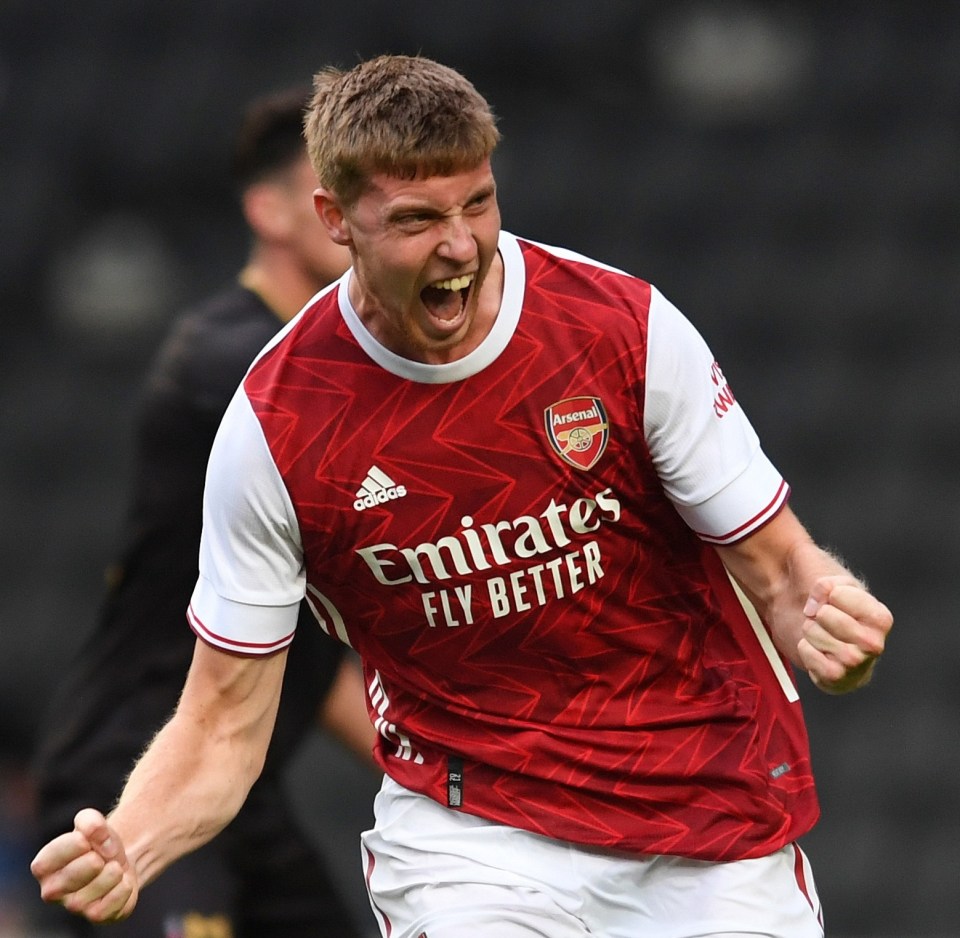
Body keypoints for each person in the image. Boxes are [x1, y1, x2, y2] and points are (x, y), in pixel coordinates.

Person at [31, 55, 893, 938]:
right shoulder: (277, 423)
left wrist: (832, 626)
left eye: (475, 203)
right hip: (475, 841)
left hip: (709, 817)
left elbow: (783, 573)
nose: (458, 245)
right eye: (414, 218)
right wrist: (133, 840)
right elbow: (220, 724)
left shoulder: (619, 328)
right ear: (335, 219)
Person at [30, 85, 375, 938]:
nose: (364, 219)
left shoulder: (328, 363)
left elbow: (316, 658)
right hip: (134, 782)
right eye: (338, 194)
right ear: (272, 210)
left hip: (236, 786)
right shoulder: (232, 364)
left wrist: (486, 779)